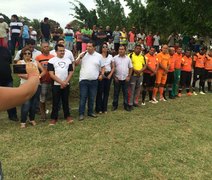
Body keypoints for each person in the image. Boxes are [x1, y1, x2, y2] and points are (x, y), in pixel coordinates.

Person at [75, 41, 104, 121]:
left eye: (90, 46)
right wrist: (80, 57)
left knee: (92, 97)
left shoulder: (99, 56)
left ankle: (90, 112)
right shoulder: (83, 55)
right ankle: (81, 114)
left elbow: (103, 67)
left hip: (94, 80)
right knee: (83, 97)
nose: (88, 48)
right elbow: (76, 64)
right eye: (87, 46)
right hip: (83, 80)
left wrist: (101, 74)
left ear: (94, 47)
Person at [17, 47, 45, 128]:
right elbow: (19, 74)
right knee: (26, 104)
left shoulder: (35, 62)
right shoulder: (20, 62)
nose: (27, 55)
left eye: (29, 53)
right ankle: (23, 121)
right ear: (22, 54)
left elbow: (43, 71)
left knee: (34, 104)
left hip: (36, 85)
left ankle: (32, 119)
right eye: (25, 53)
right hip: (25, 86)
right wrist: (32, 77)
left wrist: (39, 76)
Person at [47, 44, 74, 125]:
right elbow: (51, 74)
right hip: (56, 85)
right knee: (56, 102)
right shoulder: (51, 61)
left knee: (65, 101)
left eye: (63, 51)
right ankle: (54, 118)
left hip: (66, 84)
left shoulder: (68, 60)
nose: (62, 52)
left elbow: (71, 72)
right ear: (56, 51)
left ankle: (67, 116)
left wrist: (65, 82)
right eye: (60, 51)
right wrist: (61, 82)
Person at [35, 42, 54, 121]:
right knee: (42, 98)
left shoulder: (53, 57)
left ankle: (54, 113)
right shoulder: (38, 58)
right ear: (42, 48)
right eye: (45, 47)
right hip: (43, 81)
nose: (47, 48)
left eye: (47, 46)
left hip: (53, 80)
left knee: (54, 97)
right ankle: (43, 115)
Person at [0, 46, 18, 121]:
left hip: (7, 79)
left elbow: (10, 62)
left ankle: (13, 115)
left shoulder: (5, 50)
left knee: (10, 98)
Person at [95, 42, 114, 114]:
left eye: (106, 47)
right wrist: (100, 75)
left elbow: (113, 67)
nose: (105, 48)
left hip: (108, 75)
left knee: (106, 92)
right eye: (103, 47)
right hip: (100, 75)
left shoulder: (110, 56)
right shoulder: (98, 56)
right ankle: (98, 108)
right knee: (100, 92)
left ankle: (104, 108)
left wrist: (110, 75)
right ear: (101, 48)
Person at [112, 45, 133, 111]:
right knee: (116, 93)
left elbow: (130, 68)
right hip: (117, 79)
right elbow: (112, 68)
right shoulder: (115, 58)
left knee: (125, 93)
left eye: (122, 49)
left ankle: (126, 105)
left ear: (125, 50)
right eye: (120, 49)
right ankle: (115, 105)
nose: (121, 50)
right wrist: (114, 77)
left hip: (125, 79)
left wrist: (129, 76)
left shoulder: (128, 58)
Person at [128, 44, 146, 108]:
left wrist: (140, 71)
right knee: (131, 89)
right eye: (137, 48)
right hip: (133, 75)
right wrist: (135, 70)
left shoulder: (142, 56)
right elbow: (129, 65)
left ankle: (135, 102)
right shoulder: (130, 55)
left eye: (139, 49)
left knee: (138, 89)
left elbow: (145, 65)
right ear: (134, 49)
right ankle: (130, 103)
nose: (138, 50)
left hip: (140, 75)